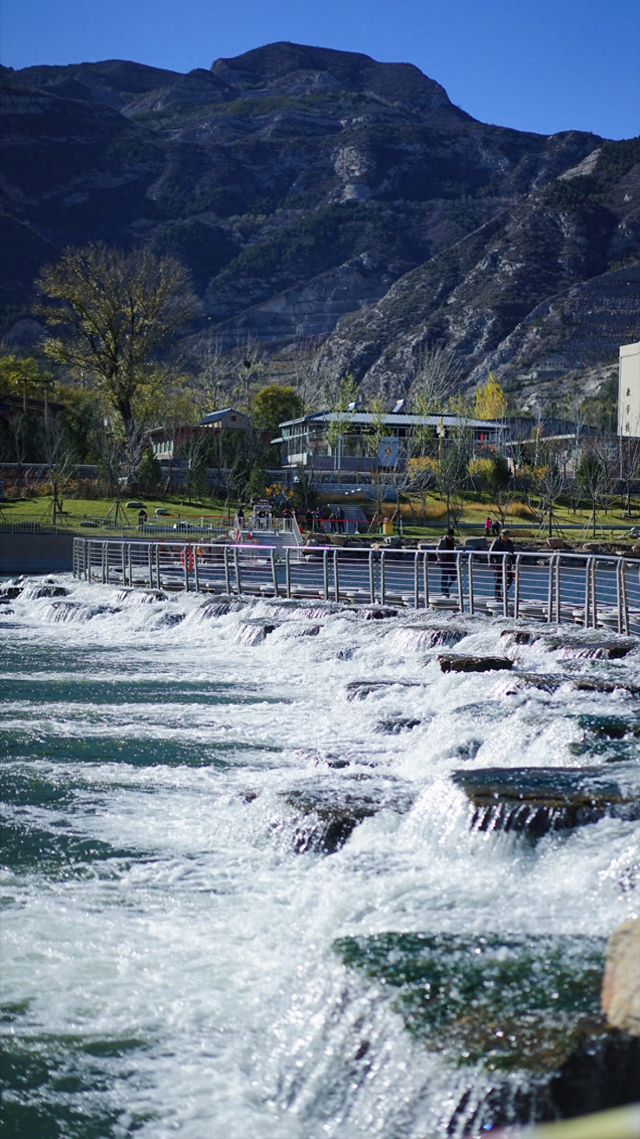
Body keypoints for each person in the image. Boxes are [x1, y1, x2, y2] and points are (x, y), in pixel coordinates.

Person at [489, 529, 515, 601]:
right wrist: (491, 563)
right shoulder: (496, 542)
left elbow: (513, 554)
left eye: (508, 536)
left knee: (510, 579)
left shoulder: (510, 543)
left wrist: (514, 563)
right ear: (501, 536)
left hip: (507, 564)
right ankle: (497, 596)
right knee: (498, 580)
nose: (507, 537)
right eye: (505, 536)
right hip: (498, 564)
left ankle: (504, 594)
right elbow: (490, 553)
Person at [436, 527, 456, 597]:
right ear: (446, 535)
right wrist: (441, 559)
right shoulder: (442, 541)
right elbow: (437, 551)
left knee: (455, 576)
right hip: (444, 561)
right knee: (444, 577)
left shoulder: (453, 540)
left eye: (451, 535)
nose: (450, 537)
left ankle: (447, 587)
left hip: (451, 561)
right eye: (449, 535)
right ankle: (444, 591)